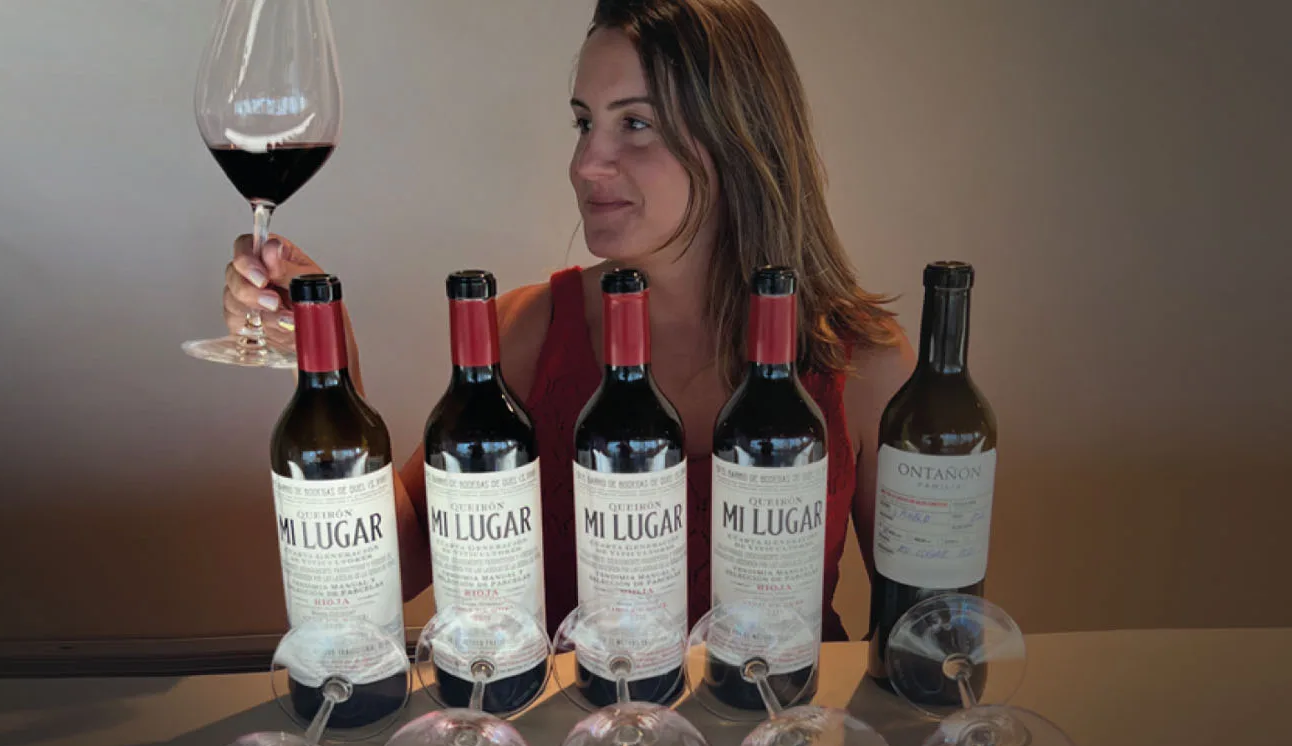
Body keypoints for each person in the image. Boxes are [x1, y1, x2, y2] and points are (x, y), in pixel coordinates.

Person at [222, 0, 914, 642]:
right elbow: (398, 567)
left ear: (739, 140)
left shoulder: (863, 365)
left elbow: (926, 626)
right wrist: (333, 373)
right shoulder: (528, 334)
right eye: (585, 123)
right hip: (571, 728)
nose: (586, 164)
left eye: (635, 124)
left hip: (782, 728)